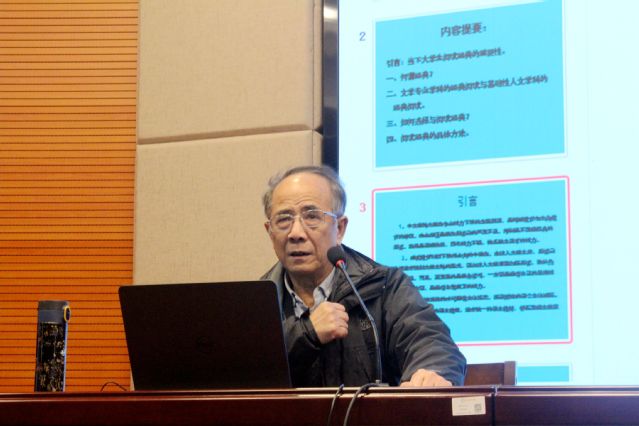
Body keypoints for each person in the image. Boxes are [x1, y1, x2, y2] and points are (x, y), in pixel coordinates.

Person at [261, 165, 466, 387]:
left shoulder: (384, 286)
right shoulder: (254, 303)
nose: (296, 233)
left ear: (340, 228)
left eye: (312, 216)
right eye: (283, 219)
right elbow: (244, 370)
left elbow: (430, 341)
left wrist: (431, 372)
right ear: (270, 232)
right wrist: (307, 334)